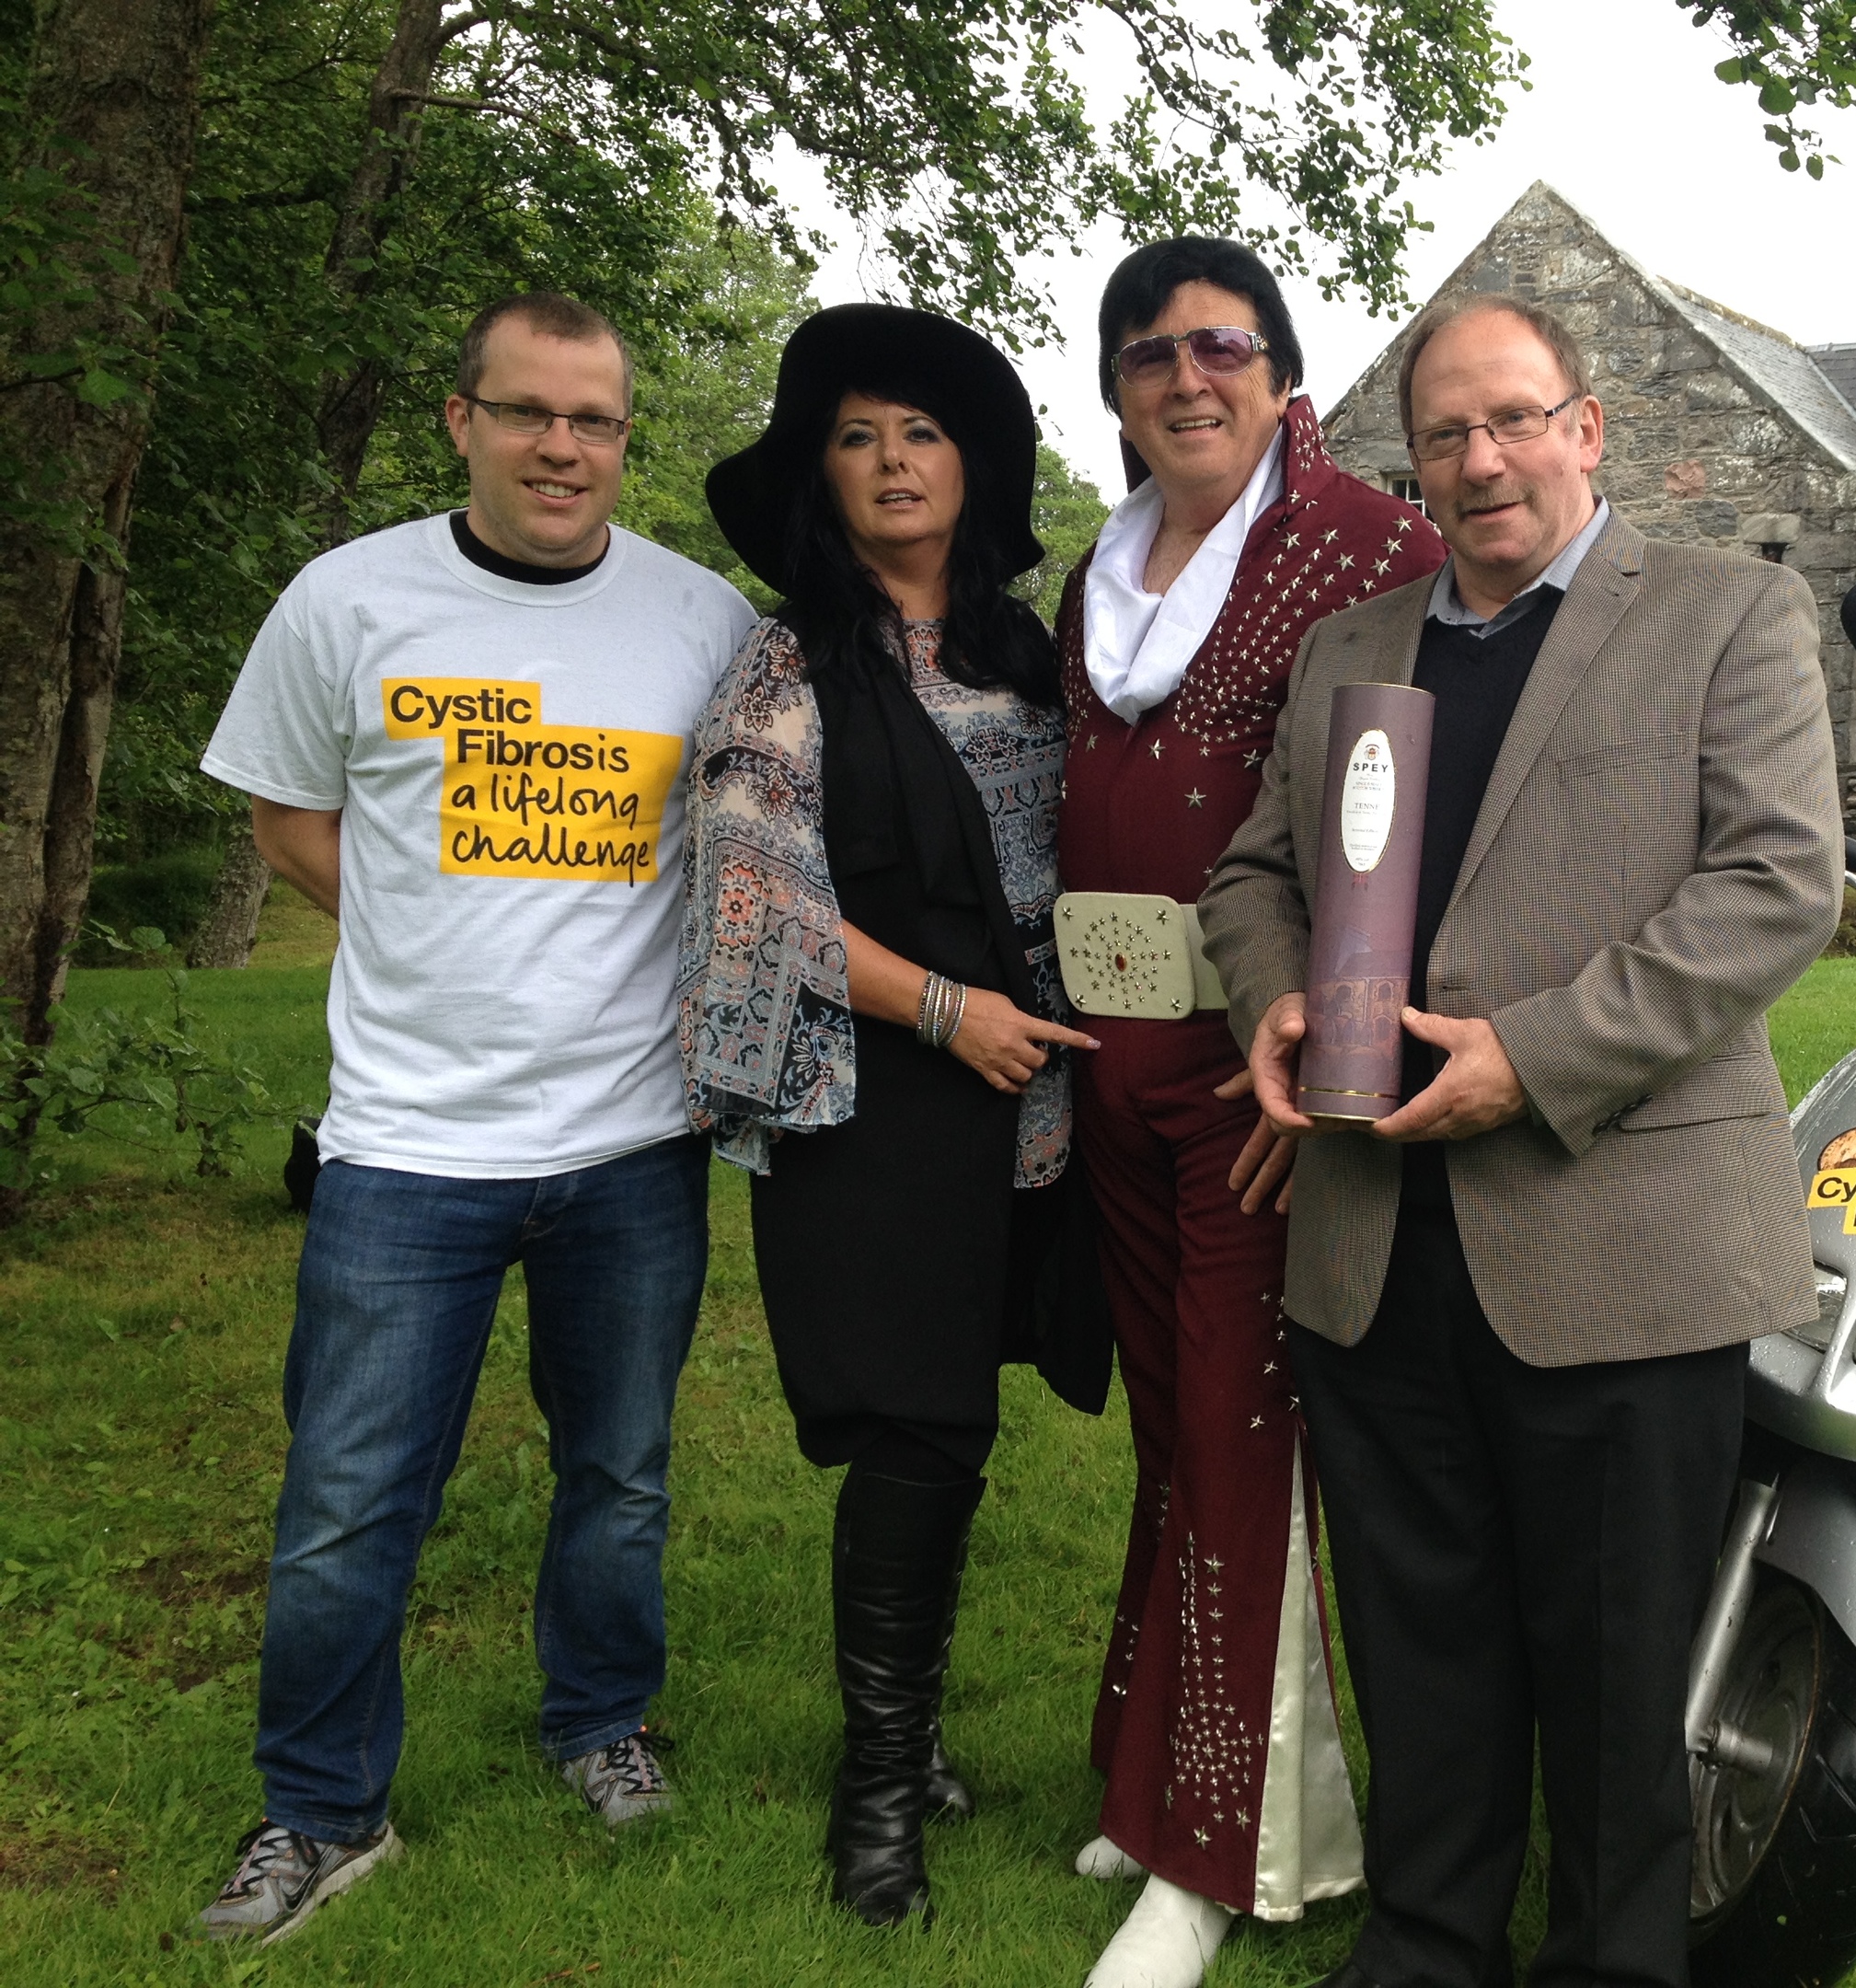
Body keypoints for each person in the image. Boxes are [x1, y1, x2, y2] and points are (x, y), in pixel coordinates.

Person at [1199, 294, 1843, 1988]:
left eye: (1512, 421)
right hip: (1372, 1230)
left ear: (1586, 427)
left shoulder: (1729, 612)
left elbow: (1777, 887)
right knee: (1421, 1636)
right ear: (1408, 460)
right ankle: (1427, 1942)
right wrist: (1270, 996)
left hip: (1615, 1229)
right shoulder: (1354, 645)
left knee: (1619, 1659)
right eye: (1444, 435)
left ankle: (1617, 1962)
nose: (1481, 463)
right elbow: (1255, 876)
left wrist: (1533, 1060)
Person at [190, 294, 759, 1944]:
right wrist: (437, 937)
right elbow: (292, 819)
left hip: (631, 1140)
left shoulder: (698, 618)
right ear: (462, 421)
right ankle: (319, 1810)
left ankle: (599, 1726)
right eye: (527, 414)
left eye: (594, 421)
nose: (562, 448)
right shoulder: (349, 599)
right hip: (405, 1146)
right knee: (352, 1493)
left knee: (621, 1474)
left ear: (624, 438)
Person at [681, 304, 1111, 1929]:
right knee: (914, 1434)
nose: (891, 462)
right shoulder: (788, 665)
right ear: (823, 480)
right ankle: (879, 1799)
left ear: (969, 467)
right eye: (857, 439)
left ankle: (913, 1737)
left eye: (920, 433)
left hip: (1033, 1104)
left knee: (965, 1425)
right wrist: (947, 1009)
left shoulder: (1029, 653)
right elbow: (754, 893)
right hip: (875, 1105)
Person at [1050, 238, 1444, 1988]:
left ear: (1286, 374)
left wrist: (1341, 1061)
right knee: (1171, 1435)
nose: (1183, 378)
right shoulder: (1103, 570)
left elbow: (1408, 820)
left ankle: (1221, 1856)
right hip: (1113, 1061)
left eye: (1222, 346)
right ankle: (1155, 1784)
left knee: (1239, 1435)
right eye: (1149, 355)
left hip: (1264, 1078)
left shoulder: (1373, 544)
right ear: (1119, 392)